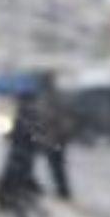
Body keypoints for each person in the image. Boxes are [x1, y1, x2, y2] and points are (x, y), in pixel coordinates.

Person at [0, 92, 43, 217]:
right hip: (25, 159)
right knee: (22, 191)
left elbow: (22, 137)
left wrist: (10, 135)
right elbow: (34, 139)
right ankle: (37, 213)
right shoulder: (33, 115)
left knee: (17, 193)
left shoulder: (24, 116)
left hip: (19, 159)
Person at [35, 72, 74, 201]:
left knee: (56, 165)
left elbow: (48, 116)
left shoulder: (49, 97)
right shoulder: (52, 96)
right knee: (56, 165)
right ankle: (62, 189)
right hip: (55, 138)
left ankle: (62, 190)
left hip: (54, 138)